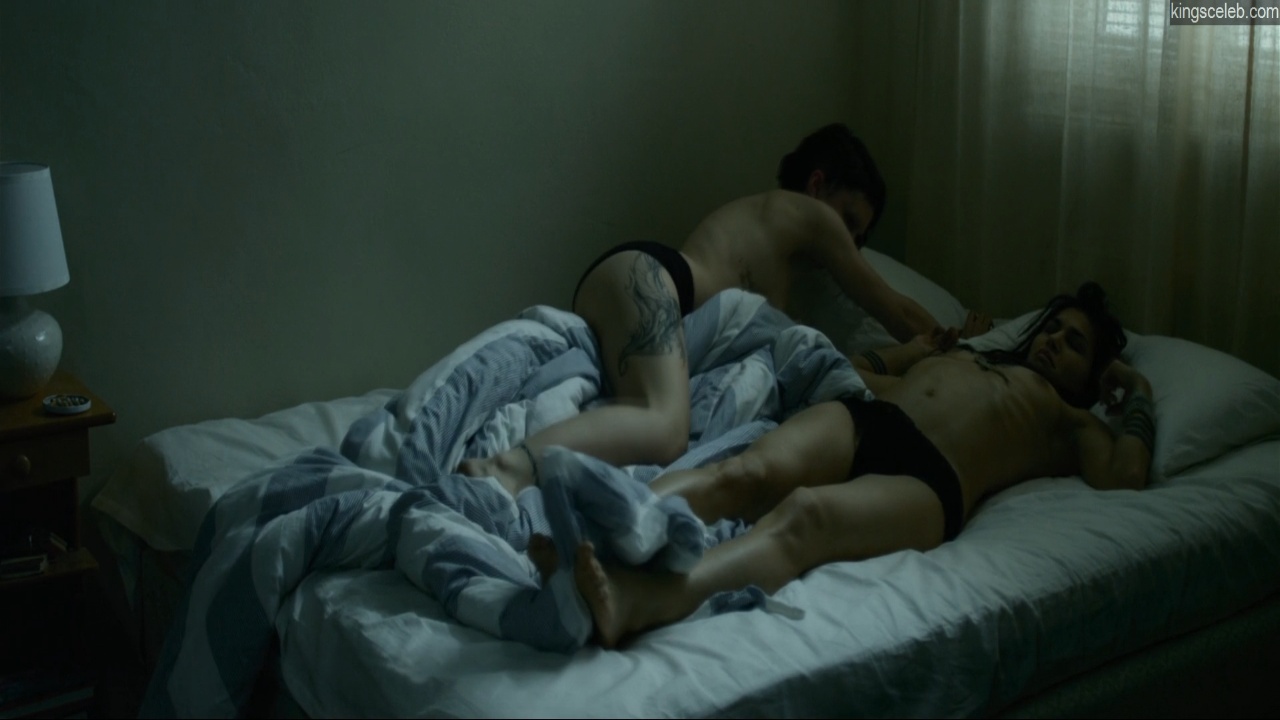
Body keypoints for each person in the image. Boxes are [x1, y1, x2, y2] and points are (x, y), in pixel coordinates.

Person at [562, 281, 1155, 648]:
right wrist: (925, 349)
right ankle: (599, 529)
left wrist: (1137, 391)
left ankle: (642, 601)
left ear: (1092, 375)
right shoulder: (972, 358)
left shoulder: (1071, 422)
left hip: (930, 480)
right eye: (1052, 329)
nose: (1053, 341)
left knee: (805, 516)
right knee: (741, 474)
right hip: (869, 419)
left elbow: (1125, 475)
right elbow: (861, 368)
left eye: (1074, 344)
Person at [461, 124, 953, 493]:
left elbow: (836, 372)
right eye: (850, 223)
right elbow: (892, 308)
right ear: (818, 185)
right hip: (653, 279)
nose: (852, 246)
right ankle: (510, 466)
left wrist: (916, 367)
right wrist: (960, 347)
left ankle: (523, 465)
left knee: (647, 428)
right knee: (664, 427)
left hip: (635, 285)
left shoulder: (775, 252)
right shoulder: (809, 215)